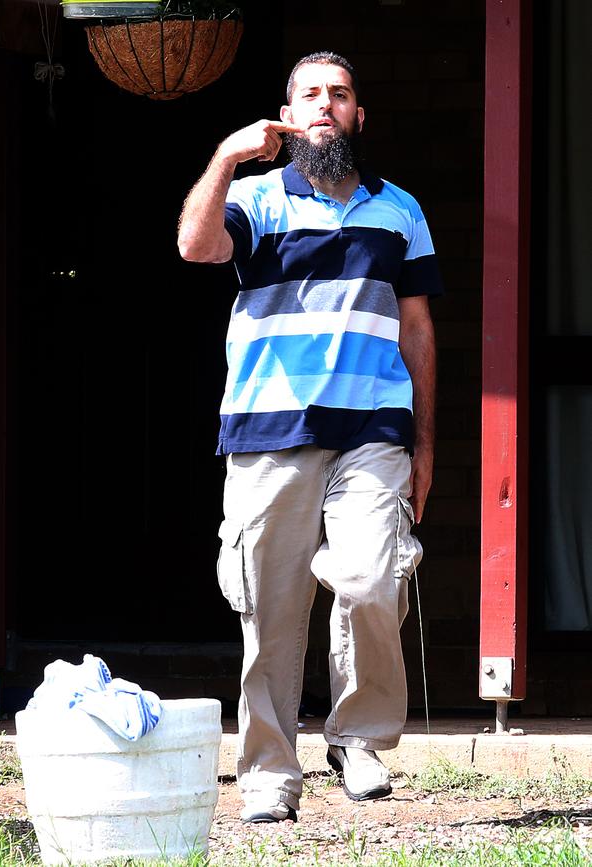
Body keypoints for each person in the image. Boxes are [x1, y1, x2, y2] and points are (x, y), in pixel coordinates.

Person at [177, 51, 442, 824]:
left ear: (361, 115)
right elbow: (195, 246)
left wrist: (426, 443)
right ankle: (268, 770)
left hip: (374, 429)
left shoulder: (402, 211)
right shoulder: (256, 199)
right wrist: (227, 154)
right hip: (269, 430)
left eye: (342, 94)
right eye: (311, 94)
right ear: (288, 116)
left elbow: (420, 332)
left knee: (370, 578)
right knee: (270, 605)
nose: (327, 104)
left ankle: (356, 738)